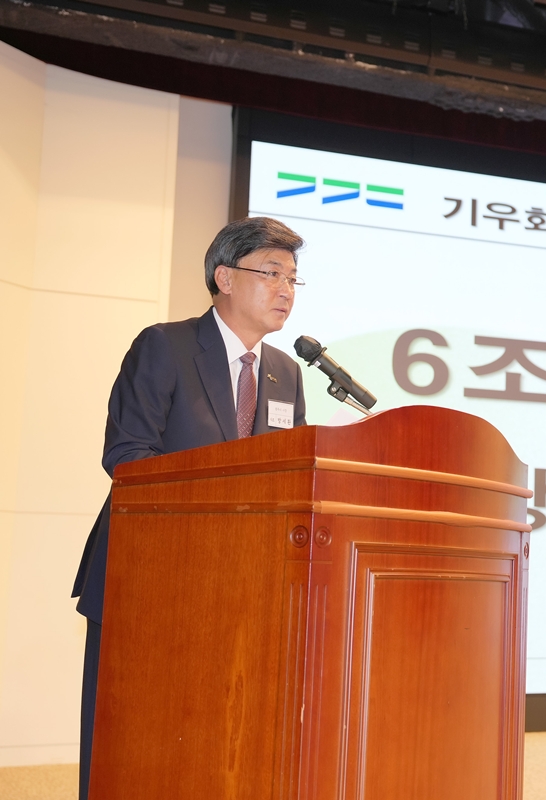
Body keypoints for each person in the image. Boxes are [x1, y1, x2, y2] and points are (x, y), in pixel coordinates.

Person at [71, 217, 309, 799]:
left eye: (293, 279)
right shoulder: (165, 346)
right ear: (224, 277)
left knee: (215, 743)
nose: (286, 289)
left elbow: (291, 474)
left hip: (243, 587)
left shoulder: (285, 371)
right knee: (128, 741)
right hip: (150, 576)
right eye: (272, 273)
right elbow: (127, 455)